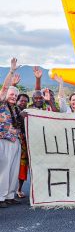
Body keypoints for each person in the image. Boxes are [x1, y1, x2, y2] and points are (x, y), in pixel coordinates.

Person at [0, 58, 23, 208]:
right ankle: (1, 196)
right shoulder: (2, 104)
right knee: (4, 168)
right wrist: (11, 71)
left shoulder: (16, 109)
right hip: (4, 139)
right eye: (11, 95)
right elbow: (4, 88)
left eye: (15, 95)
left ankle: (10, 194)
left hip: (16, 141)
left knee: (14, 169)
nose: (13, 97)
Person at [16, 93, 30, 199]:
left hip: (25, 142)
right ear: (17, 101)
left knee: (22, 167)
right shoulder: (12, 110)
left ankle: (19, 189)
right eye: (21, 100)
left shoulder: (28, 112)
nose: (23, 102)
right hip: (14, 141)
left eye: (25, 101)